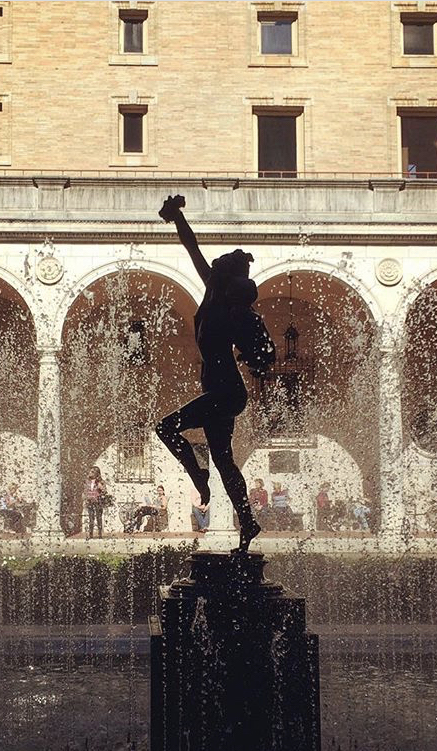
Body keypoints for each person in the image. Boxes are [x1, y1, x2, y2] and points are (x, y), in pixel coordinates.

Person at [156, 195, 275, 553]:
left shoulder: (237, 313)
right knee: (225, 459)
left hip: (226, 392)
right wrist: (177, 217)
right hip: (220, 390)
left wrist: (254, 358)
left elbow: (267, 352)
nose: (214, 268)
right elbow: (191, 247)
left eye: (220, 267)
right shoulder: (212, 292)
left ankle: (198, 474)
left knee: (165, 427)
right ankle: (248, 522)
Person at [82, 466, 110, 539]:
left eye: (92, 472)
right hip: (90, 501)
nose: (90, 473)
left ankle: (100, 534)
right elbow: (85, 491)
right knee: (91, 518)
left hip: (98, 501)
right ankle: (91, 535)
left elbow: (105, 492)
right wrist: (85, 499)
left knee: (99, 518)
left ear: (96, 473)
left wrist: (101, 487)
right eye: (90, 471)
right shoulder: (87, 481)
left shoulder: (101, 482)